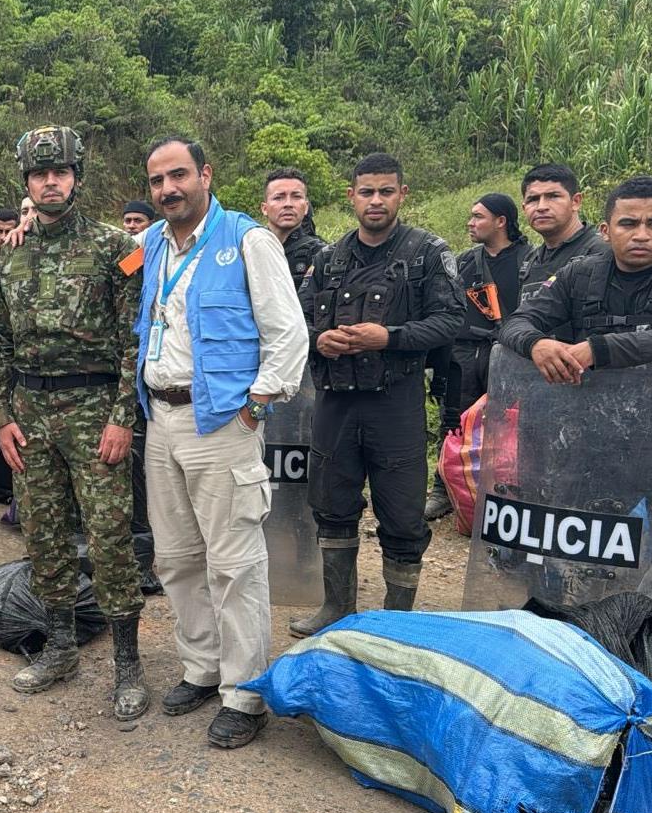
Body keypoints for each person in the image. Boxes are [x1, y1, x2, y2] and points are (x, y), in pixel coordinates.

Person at [138, 137, 308, 748]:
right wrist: (27, 223)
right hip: (160, 419)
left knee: (234, 562)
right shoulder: (151, 244)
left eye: (179, 175)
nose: (168, 190)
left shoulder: (247, 240)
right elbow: (94, 254)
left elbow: (288, 332)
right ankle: (202, 668)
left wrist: (257, 404)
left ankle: (246, 691)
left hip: (223, 423)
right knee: (178, 557)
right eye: (157, 181)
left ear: (206, 175)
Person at [0, 125, 148, 718]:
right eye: (38, 174)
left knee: (107, 538)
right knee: (44, 534)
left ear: (77, 177)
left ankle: (127, 659)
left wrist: (123, 416)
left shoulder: (113, 248)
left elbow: (136, 338)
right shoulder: (6, 254)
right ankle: (59, 644)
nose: (50, 182)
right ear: (26, 182)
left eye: (60, 173)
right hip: (29, 412)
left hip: (94, 411)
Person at [291, 153, 463, 639]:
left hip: (396, 404)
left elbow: (452, 321)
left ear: (402, 195)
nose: (375, 200)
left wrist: (388, 337)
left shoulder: (427, 253)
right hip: (335, 404)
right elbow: (294, 321)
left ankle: (394, 623)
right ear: (351, 196)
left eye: (386, 191)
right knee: (331, 503)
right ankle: (336, 607)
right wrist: (317, 340)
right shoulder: (329, 258)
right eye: (366, 191)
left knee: (403, 514)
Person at [500, 176, 652, 526]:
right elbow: (515, 323)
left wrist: (600, 349)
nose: (641, 234)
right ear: (606, 230)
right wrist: (537, 344)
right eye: (628, 223)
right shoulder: (577, 275)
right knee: (585, 531)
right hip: (600, 426)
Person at [424, 193, 529, 521]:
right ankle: (445, 489)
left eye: (478, 217)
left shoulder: (530, 260)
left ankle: (505, 499)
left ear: (501, 221)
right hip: (465, 354)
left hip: (510, 354)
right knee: (454, 423)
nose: (470, 223)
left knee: (510, 427)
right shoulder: (464, 261)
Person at [518, 164, 608, 303]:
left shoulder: (601, 251)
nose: (541, 207)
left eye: (553, 196)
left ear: (576, 201)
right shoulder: (530, 261)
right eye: (533, 199)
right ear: (524, 208)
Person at [261, 168, 325, 287]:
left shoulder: (322, 255)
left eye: (296, 197)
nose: (288, 204)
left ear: (306, 207)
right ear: (264, 208)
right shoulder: (250, 250)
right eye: (278, 197)